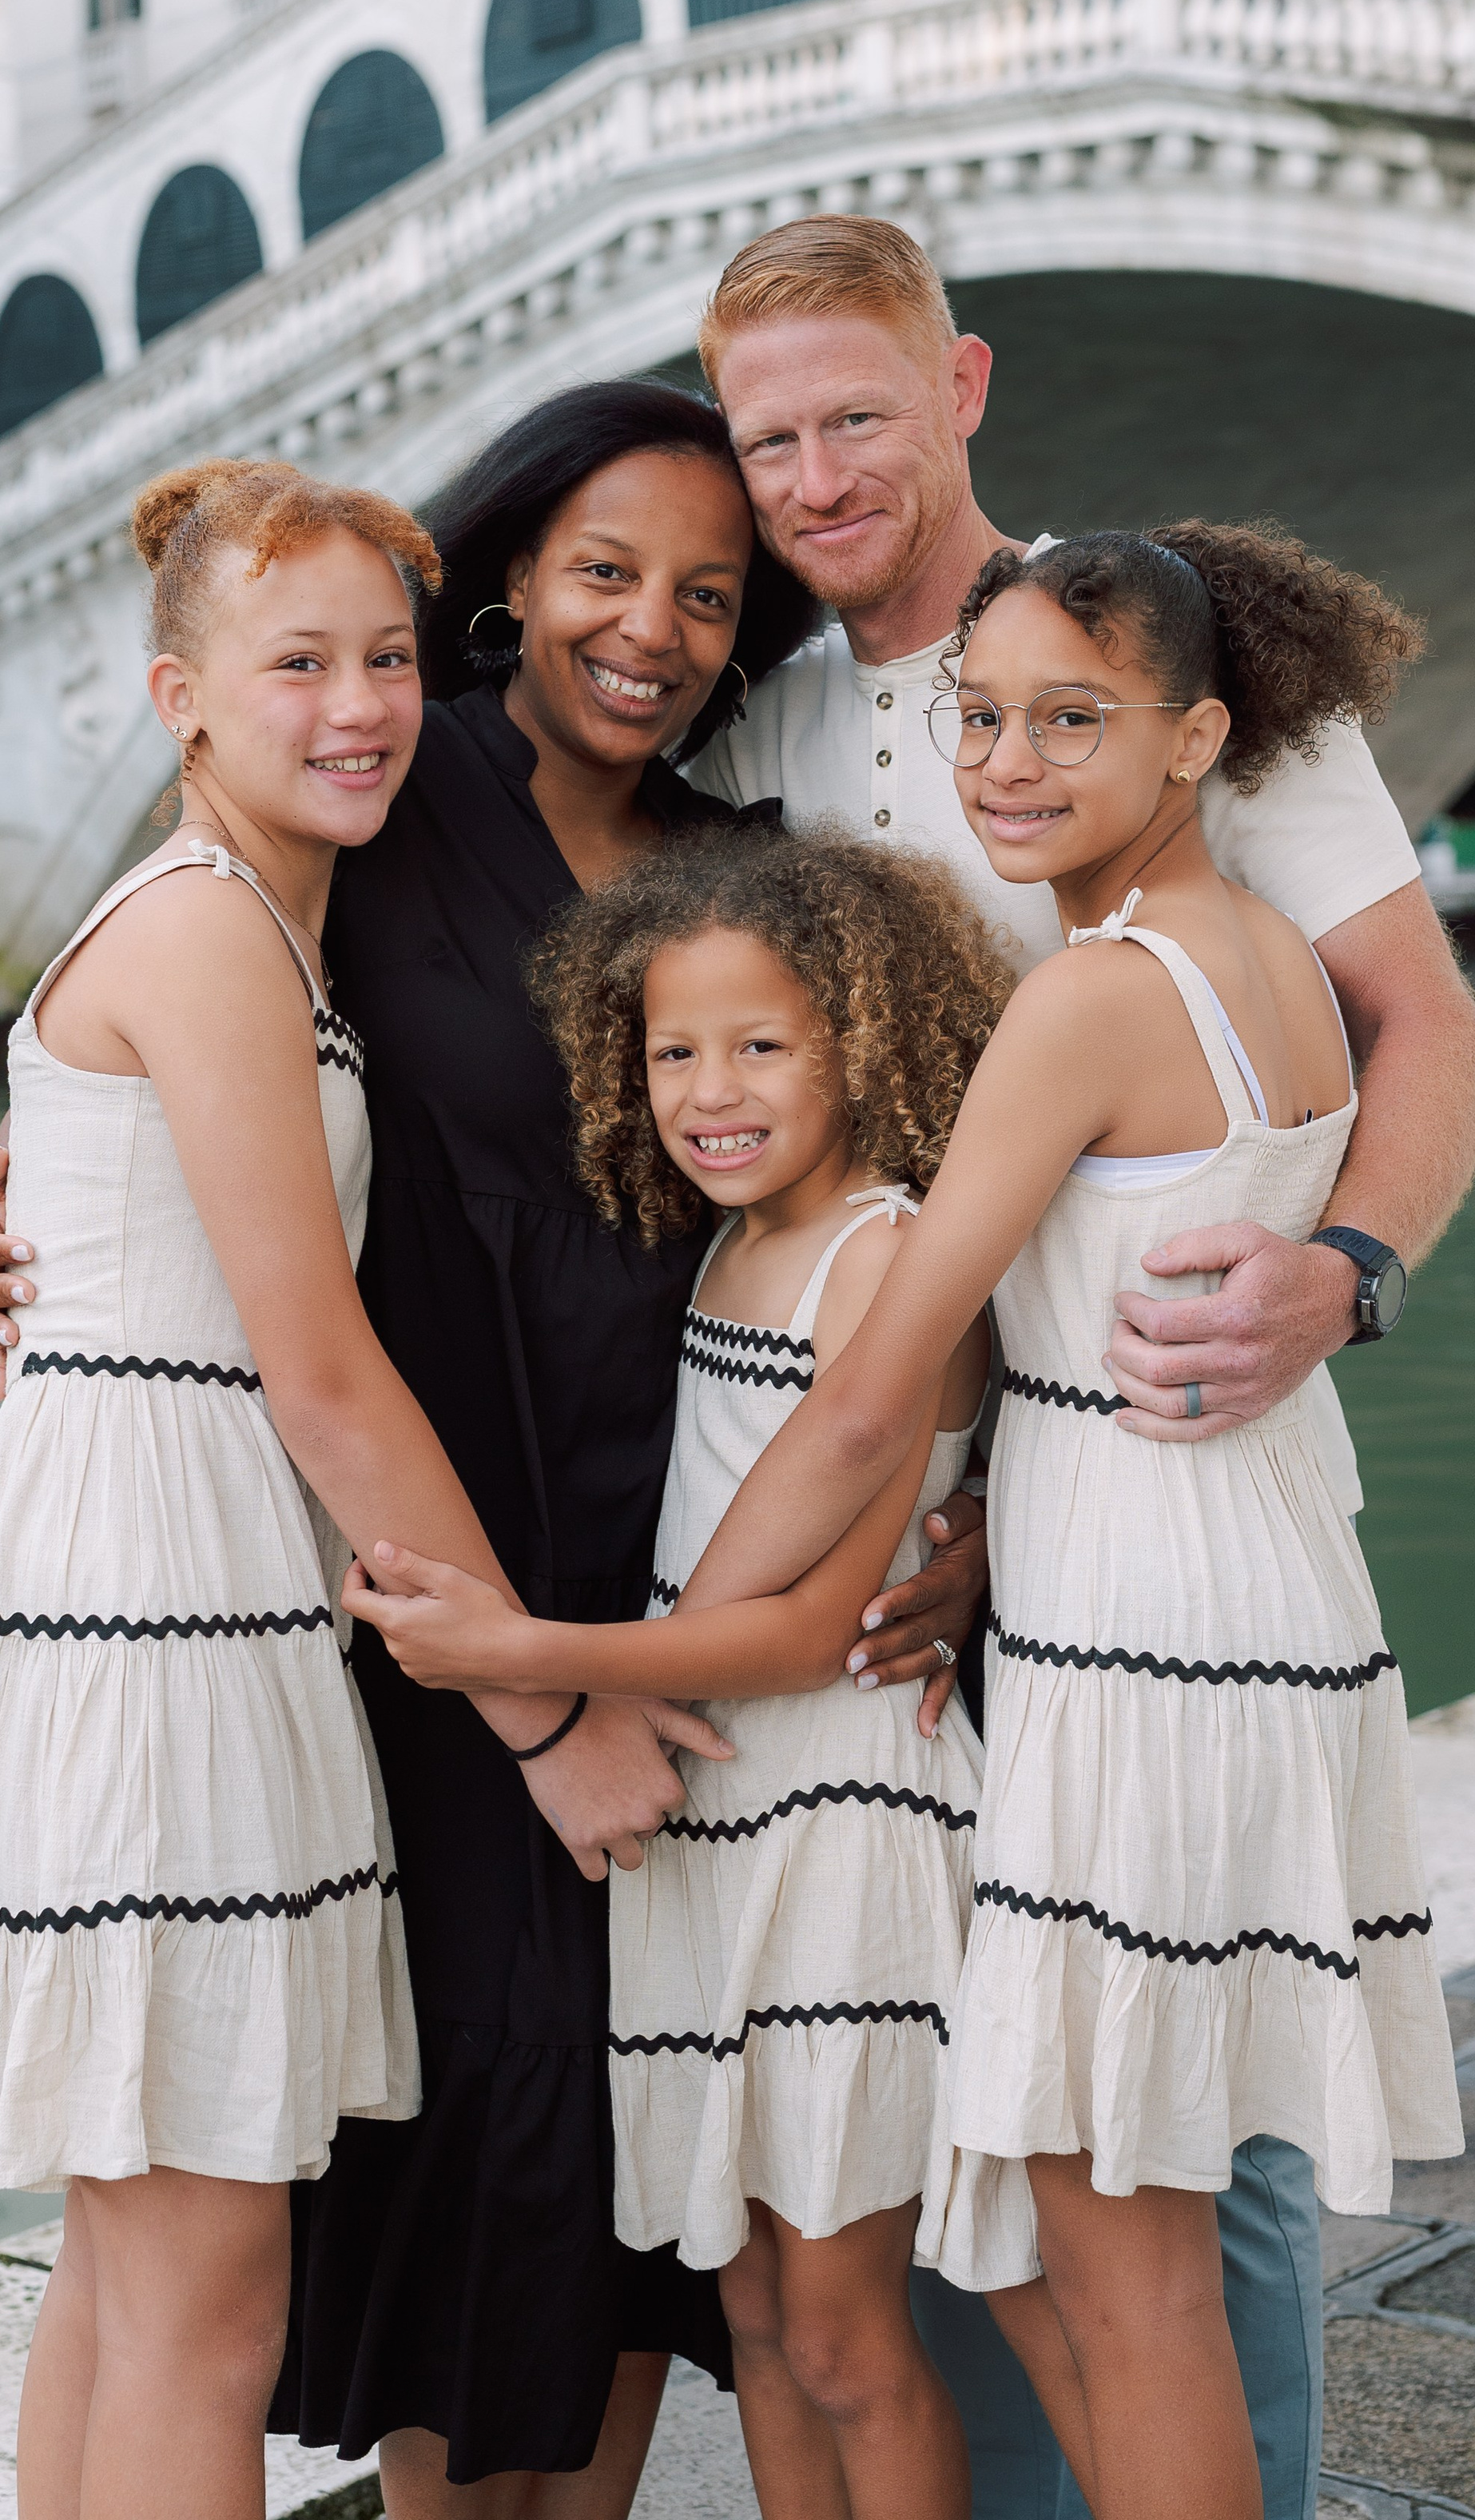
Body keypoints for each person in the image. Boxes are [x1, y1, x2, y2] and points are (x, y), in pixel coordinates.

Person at [0, 384, 988, 2517]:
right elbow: (178, 1091)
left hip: (670, 1592)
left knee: (607, 2183)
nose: (655, 628)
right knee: (438, 2160)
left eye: (711, 596)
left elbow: (892, 1219)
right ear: (507, 574)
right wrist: (29, 1214)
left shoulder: (751, 872)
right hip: (411, 1605)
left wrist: (966, 1506)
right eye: (608, 569)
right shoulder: (373, 790)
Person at [362, 525, 1464, 2520]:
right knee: (1143, 2242)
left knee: (1124, 2279)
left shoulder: (1090, 997)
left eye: (1068, 721)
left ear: (1198, 737)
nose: (1008, 765)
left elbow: (878, 1382)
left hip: (1142, 1628)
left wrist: (635, 1641)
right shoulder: (1268, 976)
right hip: (1258, 1577)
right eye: (979, 720)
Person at [684, 218, 1475, 2519]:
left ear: (963, 384)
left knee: (1172, 2134)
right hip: (959, 1498)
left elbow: (1417, 1027)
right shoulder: (766, 721)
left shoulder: (1173, 659)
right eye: (773, 437)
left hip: (1143, 1481)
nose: (821, 470)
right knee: (1000, 2106)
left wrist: (1348, 1268)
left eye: (859, 411)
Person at [0, 460, 523, 2520]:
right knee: (208, 2309)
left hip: (157, 1589)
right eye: (294, 659)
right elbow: (315, 1369)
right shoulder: (212, 936)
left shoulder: (246, 929)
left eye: (387, 656)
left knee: (128, 2284)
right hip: (155, 1620)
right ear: (178, 695)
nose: (360, 702)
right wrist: (534, 1693)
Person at [359, 822, 1013, 2520]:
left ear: (861, 1041)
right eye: (671, 1049)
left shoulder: (886, 1255)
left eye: (761, 1044)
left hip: (836, 1831)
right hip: (718, 1829)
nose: (708, 1088)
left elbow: (811, 1630)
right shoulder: (728, 1245)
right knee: (747, 2301)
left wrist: (526, 1655)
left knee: (848, 2327)